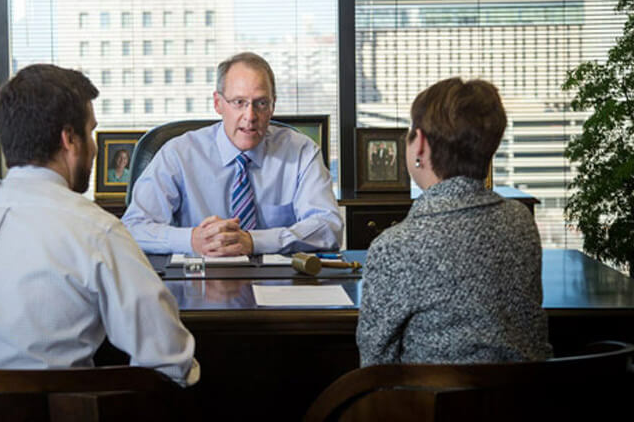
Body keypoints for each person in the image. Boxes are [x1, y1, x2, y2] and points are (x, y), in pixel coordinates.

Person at [0, 64, 200, 386]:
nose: (95, 149)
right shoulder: (95, 229)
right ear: (69, 139)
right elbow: (170, 359)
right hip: (45, 408)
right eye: (91, 132)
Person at [356, 77, 552, 366]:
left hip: (426, 396)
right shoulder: (520, 221)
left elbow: (375, 365)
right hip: (525, 393)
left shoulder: (394, 246)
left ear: (420, 144)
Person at [122, 52, 343, 256]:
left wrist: (254, 241)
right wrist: (191, 240)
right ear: (218, 103)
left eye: (261, 103)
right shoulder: (179, 154)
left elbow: (329, 227)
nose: (250, 116)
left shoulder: (301, 152)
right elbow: (134, 228)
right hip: (199, 277)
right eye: (239, 102)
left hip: (281, 278)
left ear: (273, 106)